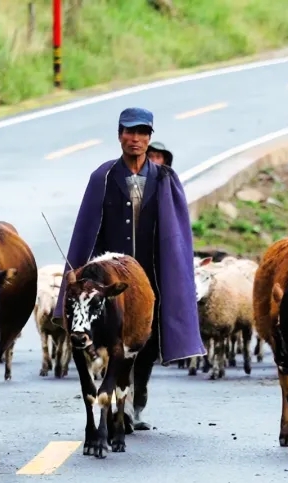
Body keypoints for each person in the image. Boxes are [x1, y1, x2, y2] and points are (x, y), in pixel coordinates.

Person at [53, 107, 205, 431]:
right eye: (128, 132)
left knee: (145, 340)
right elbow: (87, 228)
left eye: (141, 133)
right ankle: (115, 400)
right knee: (108, 333)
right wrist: (82, 272)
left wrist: (175, 271)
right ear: (119, 135)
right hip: (110, 276)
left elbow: (177, 231)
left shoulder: (164, 178)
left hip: (152, 272)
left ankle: (137, 398)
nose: (134, 139)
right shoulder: (104, 177)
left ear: (149, 138)